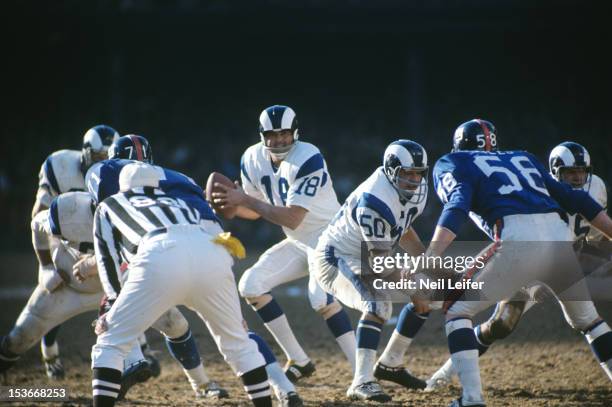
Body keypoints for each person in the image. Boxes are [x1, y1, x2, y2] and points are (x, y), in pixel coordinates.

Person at [425, 118, 612, 406]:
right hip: (558, 240)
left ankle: (471, 398)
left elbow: (457, 206)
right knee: (589, 321)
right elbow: (576, 200)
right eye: (570, 171)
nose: (576, 176)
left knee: (457, 309)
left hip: (518, 241)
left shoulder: (453, 162)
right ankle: (450, 378)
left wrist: (432, 255)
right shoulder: (522, 157)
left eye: (580, 172)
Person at [90, 162, 272, 407]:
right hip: (212, 252)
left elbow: (107, 259)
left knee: (110, 342)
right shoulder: (179, 202)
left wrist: (112, 303)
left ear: (122, 186)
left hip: (161, 252)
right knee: (239, 344)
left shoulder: (109, 204)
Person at [212, 105, 356, 381]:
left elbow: (292, 217)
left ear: (295, 132)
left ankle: (363, 371)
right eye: (272, 135)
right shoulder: (251, 158)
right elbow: (254, 211)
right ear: (261, 135)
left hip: (332, 238)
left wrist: (244, 199)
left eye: (284, 134)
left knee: (320, 297)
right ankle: (299, 360)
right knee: (251, 285)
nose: (279, 140)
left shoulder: (308, 156)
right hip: (299, 240)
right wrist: (229, 204)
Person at [310, 140, 429, 402]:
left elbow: (403, 226)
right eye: (406, 173)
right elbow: (380, 263)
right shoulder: (374, 199)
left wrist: (426, 261)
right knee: (377, 304)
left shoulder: (412, 190)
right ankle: (361, 381)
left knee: (426, 293)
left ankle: (391, 363)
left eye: (418, 173)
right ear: (390, 170)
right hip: (335, 257)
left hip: (367, 253)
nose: (413, 179)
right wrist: (411, 283)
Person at [28, 124, 119, 378]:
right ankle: (49, 349)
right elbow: (38, 216)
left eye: (108, 158)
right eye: (100, 157)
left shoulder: (115, 173)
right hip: (63, 235)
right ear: (87, 152)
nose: (104, 163)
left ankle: (139, 348)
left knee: (119, 284)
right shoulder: (61, 166)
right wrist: (45, 265)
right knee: (59, 289)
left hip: (96, 236)